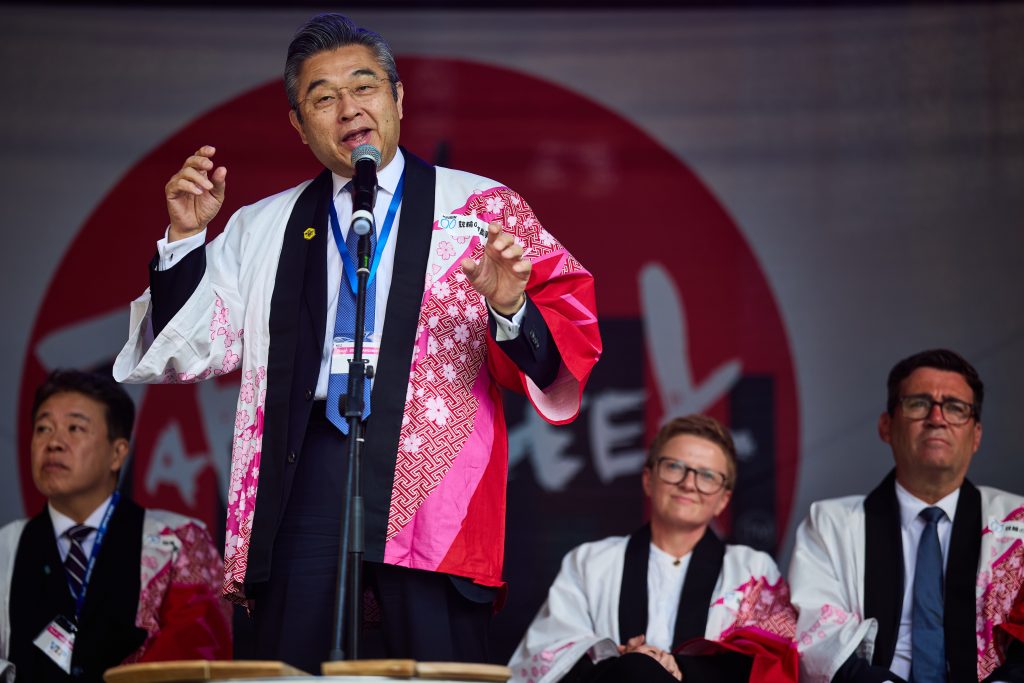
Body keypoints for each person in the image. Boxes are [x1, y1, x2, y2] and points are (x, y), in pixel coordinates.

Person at [113, 12, 601, 671]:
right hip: (306, 464)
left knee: (436, 663)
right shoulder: (263, 225)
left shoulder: (482, 208)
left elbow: (567, 340)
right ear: (298, 123)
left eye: (364, 87)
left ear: (398, 97)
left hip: (434, 476)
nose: (349, 109)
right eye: (323, 97)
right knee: (293, 661)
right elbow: (189, 344)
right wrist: (183, 240)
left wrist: (509, 302)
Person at [789, 349, 1024, 682]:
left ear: (976, 436)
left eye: (956, 407)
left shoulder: (1018, 522)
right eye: (918, 403)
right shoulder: (830, 524)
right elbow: (819, 642)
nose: (937, 418)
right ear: (886, 426)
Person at [508, 415, 797, 683]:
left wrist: (679, 667)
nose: (688, 484)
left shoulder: (752, 569)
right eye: (674, 467)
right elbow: (546, 657)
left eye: (707, 476)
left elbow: (770, 664)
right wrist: (622, 662)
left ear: (723, 500)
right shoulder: (590, 562)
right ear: (648, 479)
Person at [0, 370, 230, 683]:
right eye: (43, 428)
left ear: (118, 453)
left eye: (75, 428)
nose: (53, 443)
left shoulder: (178, 542)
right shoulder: (7, 547)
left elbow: (197, 655)